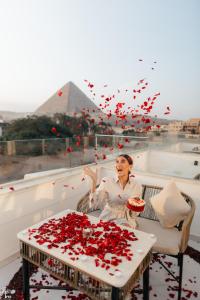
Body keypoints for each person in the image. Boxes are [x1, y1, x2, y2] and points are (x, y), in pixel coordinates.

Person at [83, 154, 142, 228]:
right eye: (117, 162)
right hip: (108, 217)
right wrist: (94, 181)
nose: (119, 164)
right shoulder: (107, 181)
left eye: (123, 161)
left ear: (130, 166)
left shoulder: (136, 185)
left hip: (126, 220)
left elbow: (136, 212)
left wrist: (135, 207)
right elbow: (94, 204)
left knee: (123, 231)